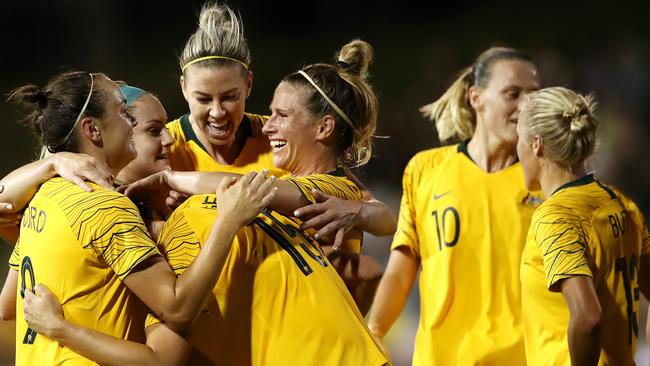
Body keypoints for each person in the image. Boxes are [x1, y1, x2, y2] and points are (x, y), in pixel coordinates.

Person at [21, 39, 390, 366]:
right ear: (185, 90)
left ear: (248, 87)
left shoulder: (60, 195)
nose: (218, 112)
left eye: (230, 97)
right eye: (135, 122)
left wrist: (361, 214)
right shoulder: (169, 163)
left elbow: (372, 243)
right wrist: (52, 162)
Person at [0, 71, 276, 365]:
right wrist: (228, 223)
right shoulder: (108, 209)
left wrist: (51, 163)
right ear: (92, 130)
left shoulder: (45, 194)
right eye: (123, 113)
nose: (130, 124)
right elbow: (171, 330)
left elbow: (8, 306)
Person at [367, 46, 544, 365]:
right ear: (476, 98)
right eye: (513, 94)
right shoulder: (426, 170)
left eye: (534, 95)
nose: (526, 106)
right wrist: (374, 330)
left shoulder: (548, 180)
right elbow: (401, 268)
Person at [517, 87, 650, 365]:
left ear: (536, 144)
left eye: (519, 138)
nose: (516, 149)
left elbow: (588, 317)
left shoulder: (556, 216)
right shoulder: (623, 203)